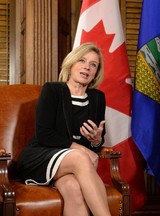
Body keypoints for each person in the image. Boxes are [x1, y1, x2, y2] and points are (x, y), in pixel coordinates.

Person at [17, 42, 111, 216]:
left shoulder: (98, 98)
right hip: (41, 156)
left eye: (93, 65)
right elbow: (44, 135)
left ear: (96, 72)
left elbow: (97, 144)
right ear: (71, 63)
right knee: (81, 157)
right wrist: (82, 149)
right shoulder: (53, 90)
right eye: (82, 61)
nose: (87, 67)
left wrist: (96, 139)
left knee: (73, 188)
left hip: (73, 164)